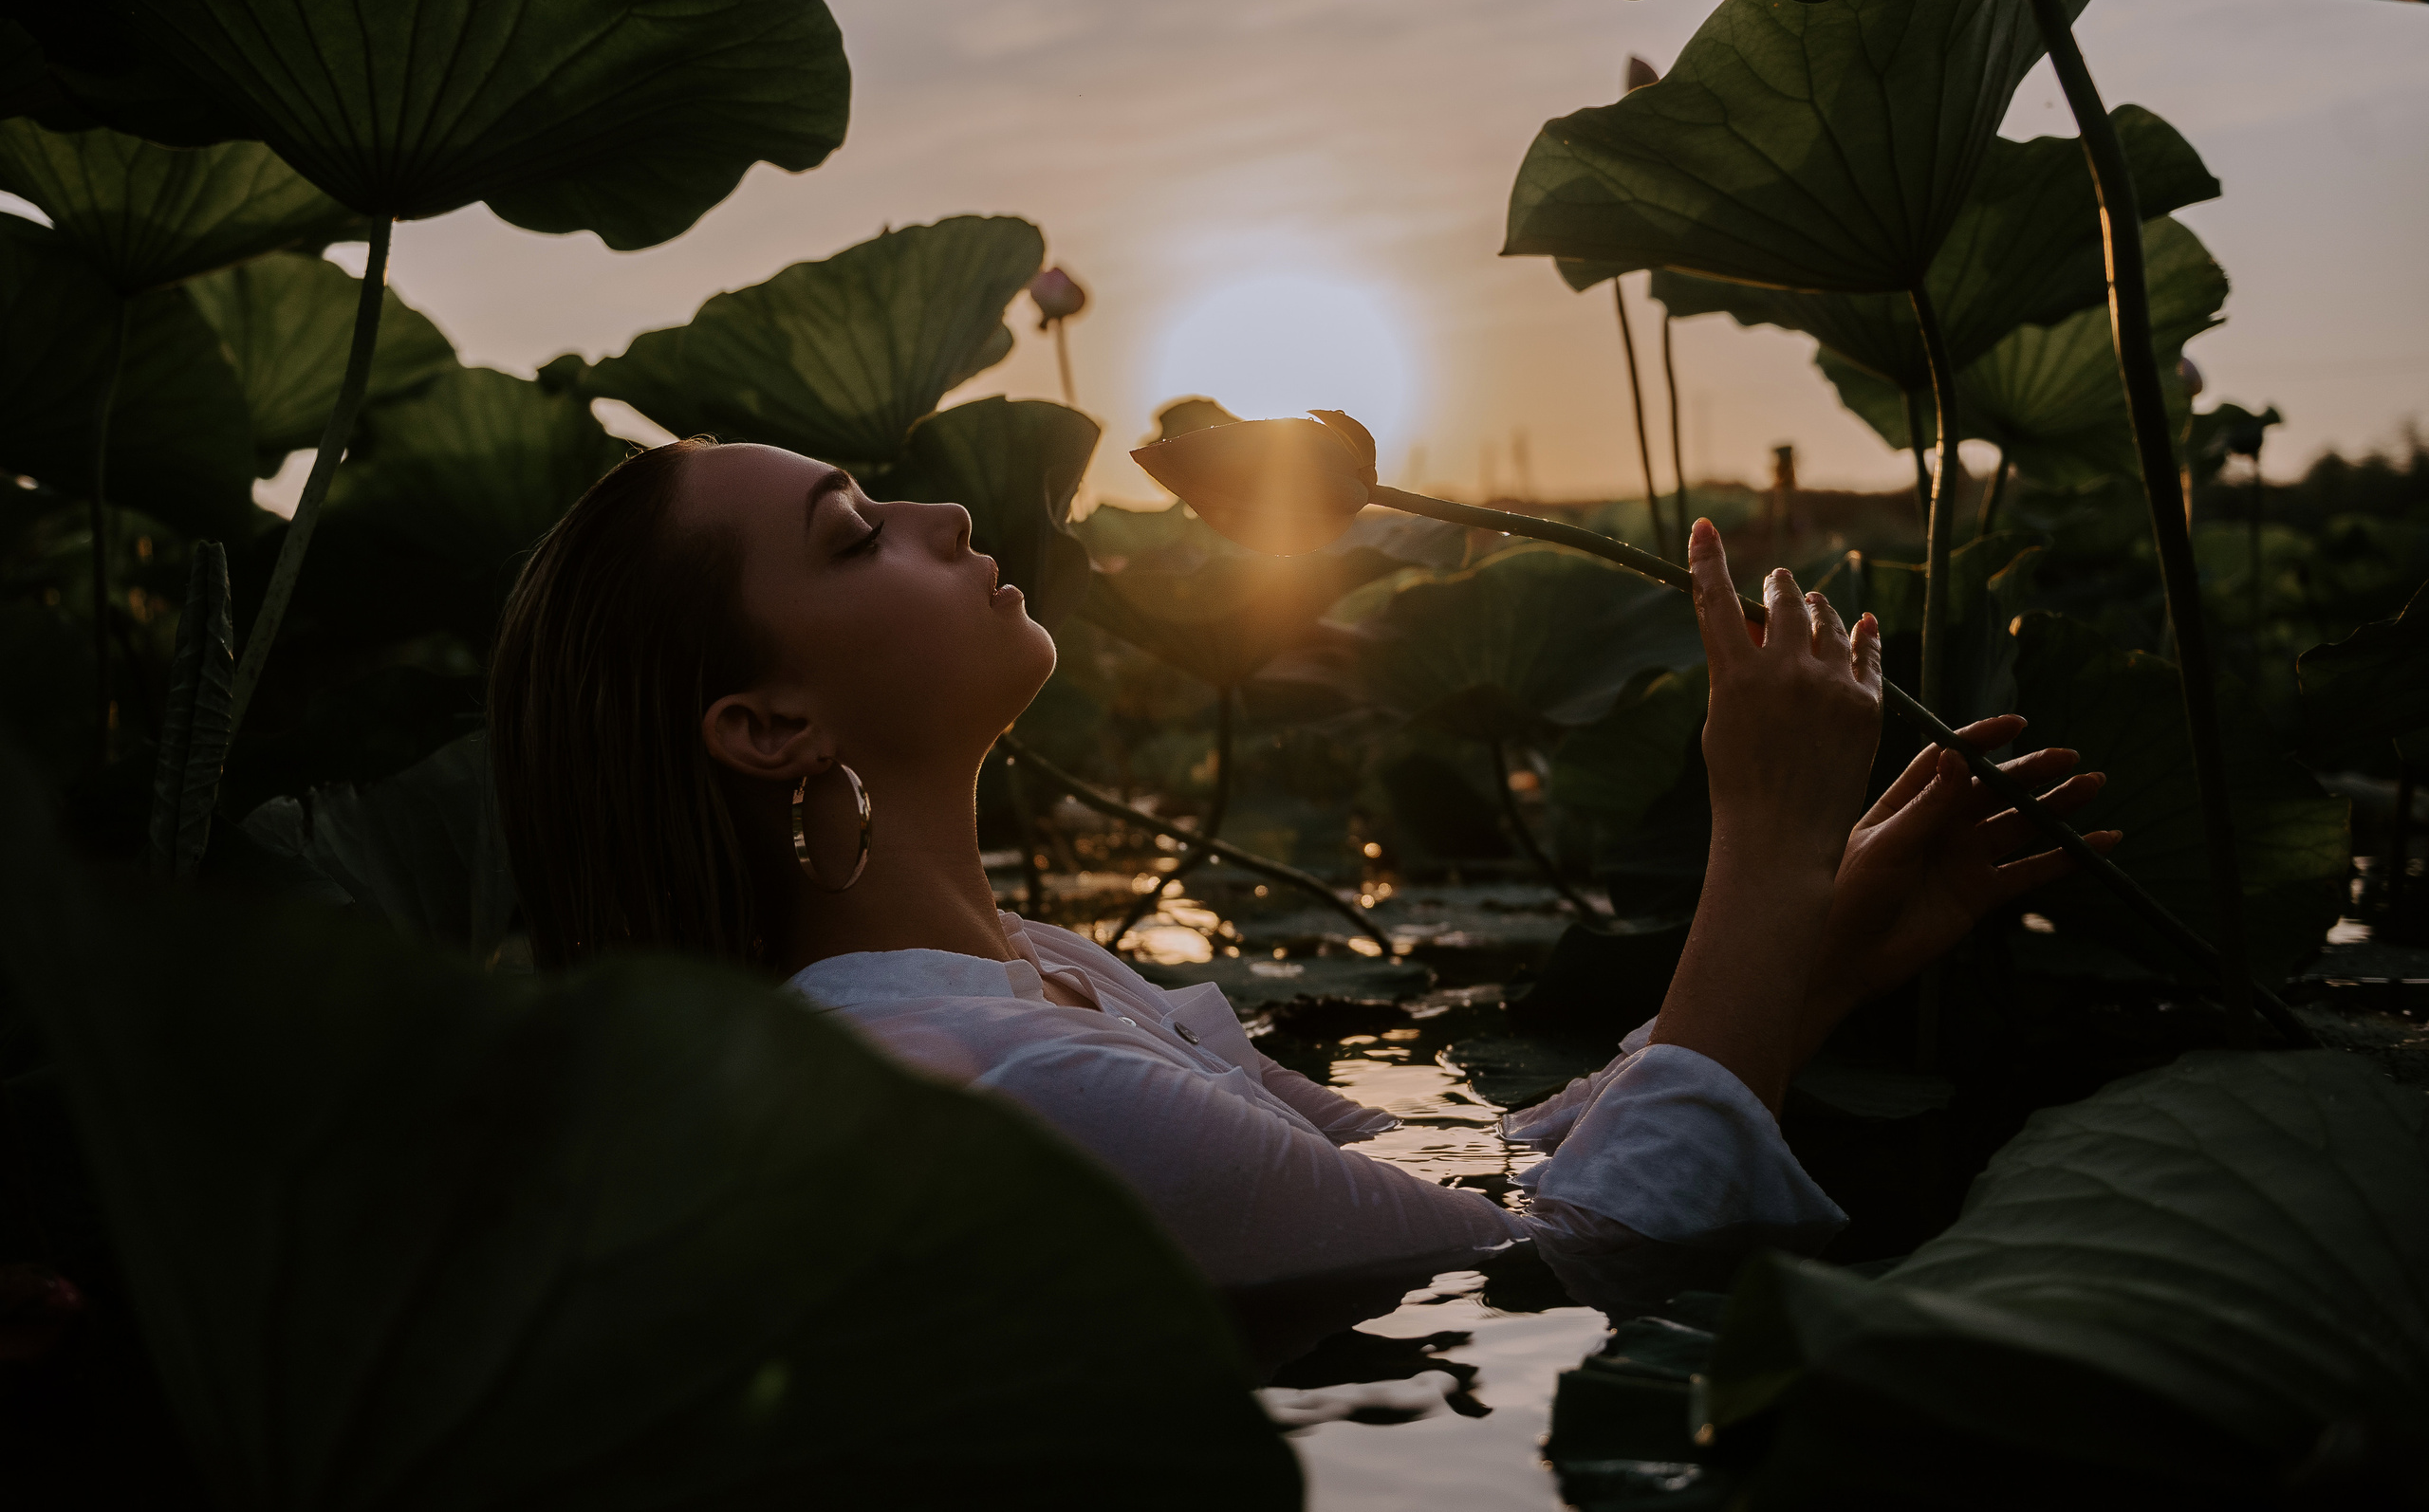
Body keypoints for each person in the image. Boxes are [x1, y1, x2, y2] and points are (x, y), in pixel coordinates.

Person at [488, 438, 2115, 1311]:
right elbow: (1575, 1263)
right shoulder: (1002, 1086)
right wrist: (1760, 838)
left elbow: (1470, 1170)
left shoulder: (1046, 967)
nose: (946, 508)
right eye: (856, 535)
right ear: (769, 726)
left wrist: (1812, 949)